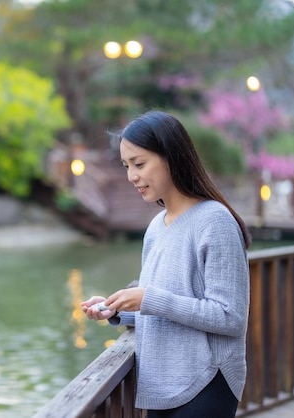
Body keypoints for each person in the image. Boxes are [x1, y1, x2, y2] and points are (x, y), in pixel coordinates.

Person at [81, 110, 251, 418]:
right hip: (161, 386)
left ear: (171, 158)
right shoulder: (156, 227)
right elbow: (164, 309)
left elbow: (231, 317)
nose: (132, 176)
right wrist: (117, 309)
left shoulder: (215, 221)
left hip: (207, 381)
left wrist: (148, 298)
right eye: (126, 166)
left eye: (140, 164)